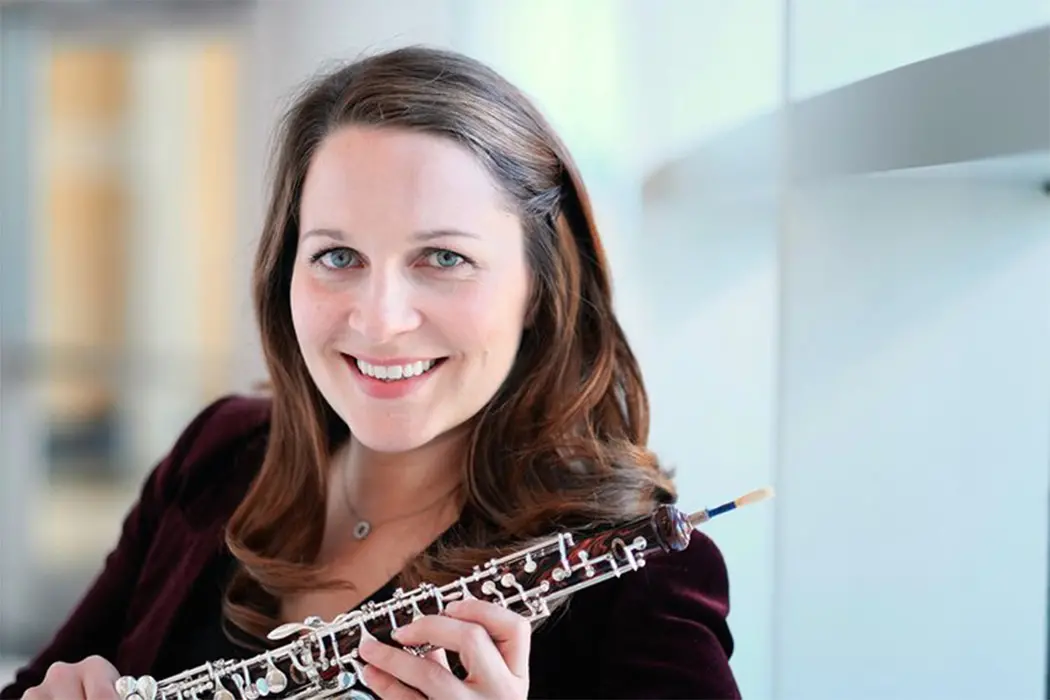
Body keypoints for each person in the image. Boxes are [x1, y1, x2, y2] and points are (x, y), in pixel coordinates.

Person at [2, 46, 741, 700]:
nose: (380, 320)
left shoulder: (639, 580)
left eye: (443, 258)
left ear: (539, 289)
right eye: (337, 256)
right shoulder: (218, 456)